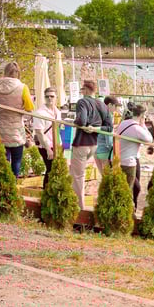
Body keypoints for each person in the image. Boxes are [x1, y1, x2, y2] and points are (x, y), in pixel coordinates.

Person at [70, 79, 111, 210]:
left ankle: (79, 207)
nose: (82, 92)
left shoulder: (82, 102)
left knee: (78, 176)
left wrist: (76, 121)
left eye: (82, 90)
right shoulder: (102, 105)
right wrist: (96, 128)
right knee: (76, 172)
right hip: (94, 145)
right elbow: (109, 127)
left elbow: (82, 120)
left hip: (82, 143)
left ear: (86, 90)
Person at [0, 62, 34, 179]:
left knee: (3, 158)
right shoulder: (22, 87)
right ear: (18, 73)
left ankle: (2, 184)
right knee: (16, 160)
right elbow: (29, 107)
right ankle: (13, 184)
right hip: (15, 128)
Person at [114, 103, 153, 204]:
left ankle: (132, 208)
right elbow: (150, 139)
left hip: (121, 159)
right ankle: (129, 210)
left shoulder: (124, 122)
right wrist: (143, 124)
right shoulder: (136, 128)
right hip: (128, 162)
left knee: (135, 187)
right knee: (130, 189)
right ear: (142, 116)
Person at [32, 87, 62, 188]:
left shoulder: (58, 112)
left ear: (56, 97)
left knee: (56, 170)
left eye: (52, 96)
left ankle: (53, 192)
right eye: (47, 96)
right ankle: (47, 193)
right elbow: (39, 132)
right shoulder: (40, 113)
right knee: (50, 169)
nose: (49, 98)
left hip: (57, 144)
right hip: (46, 145)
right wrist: (48, 149)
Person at [94, 96, 119, 179]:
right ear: (110, 105)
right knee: (108, 178)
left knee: (104, 177)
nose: (116, 109)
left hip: (96, 149)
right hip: (104, 151)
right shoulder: (107, 116)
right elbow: (108, 140)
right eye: (115, 106)